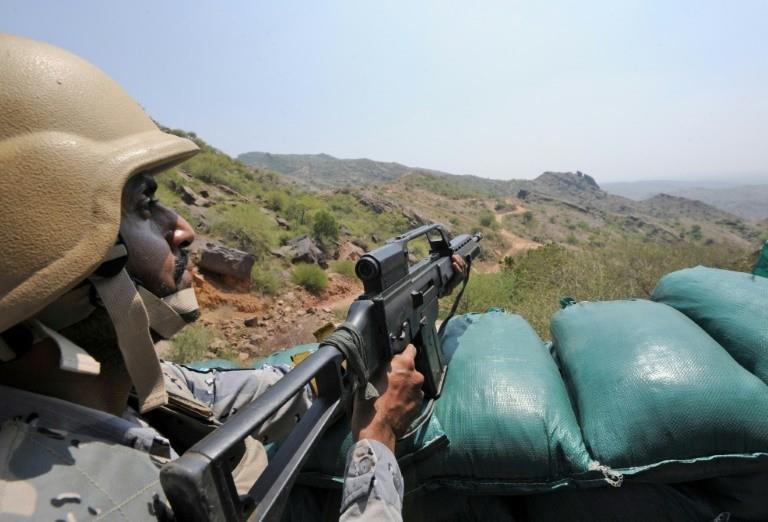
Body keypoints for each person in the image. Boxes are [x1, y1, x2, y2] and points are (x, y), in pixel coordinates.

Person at [0, 33, 464, 521]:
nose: (182, 229)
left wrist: (359, 349)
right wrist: (378, 440)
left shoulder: (118, 390)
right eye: (143, 205)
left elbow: (256, 391)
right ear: (55, 255)